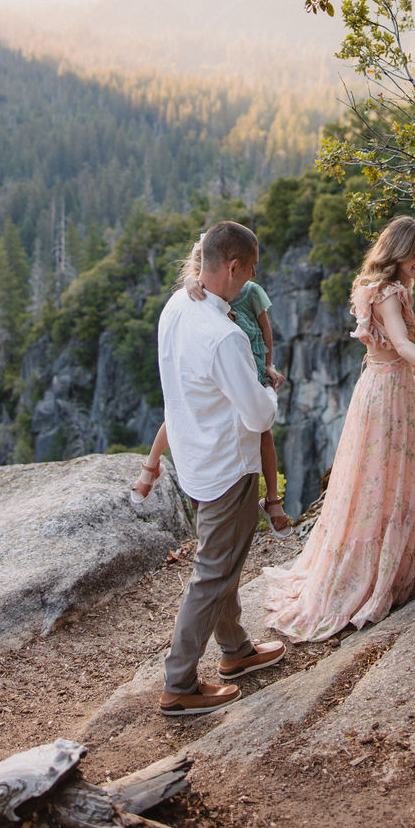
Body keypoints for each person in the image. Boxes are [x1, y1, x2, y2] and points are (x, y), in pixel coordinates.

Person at [263, 216, 415, 643]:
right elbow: (404, 346)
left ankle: (381, 560)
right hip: (389, 394)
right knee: (392, 480)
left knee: (374, 480)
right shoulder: (390, 293)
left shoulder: (369, 287)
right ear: (397, 251)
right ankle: (379, 569)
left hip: (376, 389)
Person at [156, 220, 286, 717]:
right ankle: (179, 683)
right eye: (250, 269)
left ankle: (235, 652)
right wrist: (270, 386)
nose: (253, 278)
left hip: (192, 457)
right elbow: (257, 415)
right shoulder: (224, 336)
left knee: (224, 560)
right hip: (227, 466)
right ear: (233, 267)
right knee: (213, 573)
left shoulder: (176, 308)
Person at [134, 240, 293, 538]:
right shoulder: (197, 293)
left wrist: (268, 366)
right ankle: (150, 466)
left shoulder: (249, 292)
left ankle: (272, 500)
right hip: (221, 362)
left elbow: (265, 330)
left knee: (263, 432)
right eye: (249, 267)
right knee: (179, 414)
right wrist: (191, 282)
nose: (255, 273)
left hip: (248, 362)